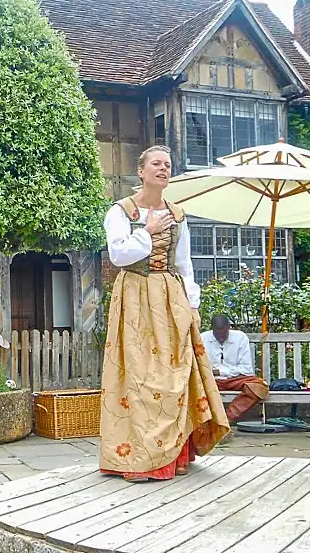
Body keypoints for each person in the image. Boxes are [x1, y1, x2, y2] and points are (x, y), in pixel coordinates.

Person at [99, 145, 230, 482]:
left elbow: (184, 264)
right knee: (141, 376)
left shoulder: (178, 214)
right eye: (156, 164)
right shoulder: (120, 212)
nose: (163, 169)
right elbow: (118, 255)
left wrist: (192, 304)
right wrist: (148, 230)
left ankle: (174, 453)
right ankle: (139, 456)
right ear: (141, 171)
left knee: (175, 371)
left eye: (167, 165)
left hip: (170, 297)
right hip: (135, 297)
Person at [201, 314, 269, 425]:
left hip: (235, 380)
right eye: (217, 335)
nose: (221, 338)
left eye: (224, 334)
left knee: (259, 386)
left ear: (229, 327)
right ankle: (205, 425)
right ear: (212, 329)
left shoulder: (240, 338)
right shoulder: (203, 338)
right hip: (210, 381)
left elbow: (247, 370)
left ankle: (225, 421)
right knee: (190, 386)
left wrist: (220, 371)